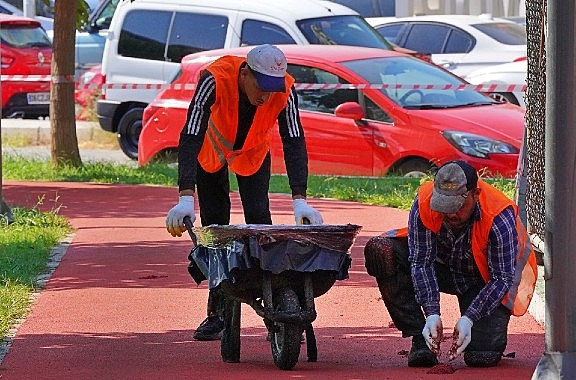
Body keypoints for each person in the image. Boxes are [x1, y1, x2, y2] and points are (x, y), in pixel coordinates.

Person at [165, 44, 323, 341]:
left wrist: (300, 199)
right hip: (211, 150)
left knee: (260, 223)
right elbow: (191, 133)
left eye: (271, 88)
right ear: (245, 73)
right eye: (261, 86)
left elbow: (294, 140)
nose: (265, 96)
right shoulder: (214, 78)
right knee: (216, 228)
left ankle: (276, 312)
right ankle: (218, 312)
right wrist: (186, 196)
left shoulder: (285, 90)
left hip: (252, 153)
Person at [363, 160, 537, 367]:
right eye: (444, 206)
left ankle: (478, 333)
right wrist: (432, 313)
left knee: (482, 357)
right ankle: (421, 338)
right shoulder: (424, 203)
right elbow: (421, 261)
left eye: (459, 206)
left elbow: (501, 279)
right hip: (443, 267)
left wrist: (469, 318)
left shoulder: (499, 216)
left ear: (475, 194)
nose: (451, 214)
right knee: (381, 251)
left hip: (482, 280)